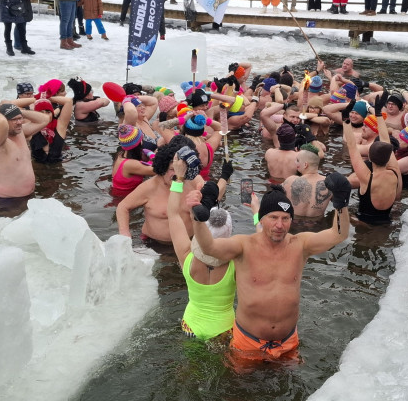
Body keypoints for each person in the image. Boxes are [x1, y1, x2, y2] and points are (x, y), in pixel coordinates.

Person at [192, 178, 350, 365]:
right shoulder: (244, 246)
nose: (279, 225)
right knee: (238, 388)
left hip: (288, 340)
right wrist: (198, 218)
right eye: (273, 218)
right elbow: (209, 247)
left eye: (285, 218)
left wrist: (341, 202)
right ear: (262, 219)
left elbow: (339, 234)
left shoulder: (301, 245)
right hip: (248, 341)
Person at [166, 159, 236, 341]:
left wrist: (179, 178)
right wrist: (255, 214)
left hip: (191, 326)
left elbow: (172, 214)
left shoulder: (186, 257)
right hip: (225, 329)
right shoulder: (237, 262)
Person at [117, 135, 204, 243]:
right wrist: (125, 233)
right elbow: (123, 207)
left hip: (188, 243)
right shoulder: (149, 187)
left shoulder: (193, 180)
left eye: (182, 169)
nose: (178, 173)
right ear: (163, 166)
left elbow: (213, 196)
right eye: (173, 169)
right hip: (154, 245)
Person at [0, 103, 47, 211]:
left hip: (29, 196)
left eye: (20, 118)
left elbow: (44, 119)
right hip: (10, 201)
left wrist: (18, 111)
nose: (19, 122)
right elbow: (1, 123)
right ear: (5, 121)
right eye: (14, 119)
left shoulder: (20, 132)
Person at [343, 119, 400, 224]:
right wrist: (378, 114)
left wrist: (346, 120)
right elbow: (386, 141)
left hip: (364, 226)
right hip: (386, 223)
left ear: (369, 156)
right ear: (390, 156)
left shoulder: (366, 178)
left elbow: (352, 147)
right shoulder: (395, 173)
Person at [282, 147, 333, 217]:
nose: (295, 162)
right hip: (318, 225)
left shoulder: (290, 181)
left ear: (305, 165)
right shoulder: (330, 183)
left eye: (297, 160)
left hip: (294, 224)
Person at [111, 124, 154, 197]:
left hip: (118, 194)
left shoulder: (120, 154)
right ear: (139, 143)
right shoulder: (130, 164)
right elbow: (156, 170)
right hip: (124, 198)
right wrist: (152, 155)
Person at [28, 96, 73, 163]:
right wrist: (36, 98)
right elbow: (11, 104)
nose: (45, 115)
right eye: (41, 112)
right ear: (35, 114)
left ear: (52, 113)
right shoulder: (30, 128)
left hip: (57, 170)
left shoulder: (59, 127)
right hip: (37, 170)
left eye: (48, 112)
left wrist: (48, 97)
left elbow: (69, 101)